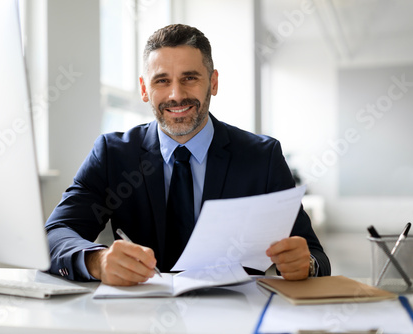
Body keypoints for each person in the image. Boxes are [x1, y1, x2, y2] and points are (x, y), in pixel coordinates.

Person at [45, 24, 331, 286]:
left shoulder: (262, 158)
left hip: (234, 317)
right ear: (145, 89)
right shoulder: (113, 154)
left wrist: (305, 264)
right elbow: (55, 233)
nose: (176, 95)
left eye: (189, 78)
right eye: (161, 81)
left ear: (213, 82)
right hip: (139, 316)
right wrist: (98, 260)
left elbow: (313, 252)